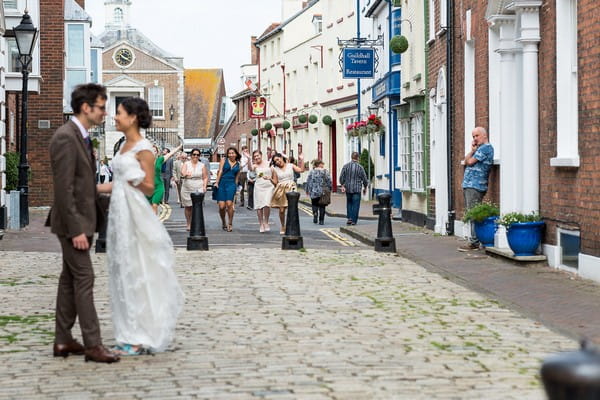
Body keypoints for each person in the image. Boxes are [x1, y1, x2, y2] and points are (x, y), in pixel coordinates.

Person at [97, 97, 184, 355]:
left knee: (137, 268)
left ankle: (140, 334)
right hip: (120, 210)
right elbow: (118, 182)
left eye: (120, 113)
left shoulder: (144, 148)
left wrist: (131, 180)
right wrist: (92, 188)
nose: (115, 117)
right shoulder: (124, 145)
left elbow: (148, 185)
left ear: (133, 117)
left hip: (135, 210)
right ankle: (127, 331)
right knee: (121, 270)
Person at [48, 83, 119, 363]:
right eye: (101, 107)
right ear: (86, 107)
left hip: (83, 220)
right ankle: (93, 344)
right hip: (72, 224)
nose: (105, 113)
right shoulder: (66, 137)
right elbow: (63, 189)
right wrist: (76, 228)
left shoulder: (82, 136)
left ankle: (63, 340)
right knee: (85, 278)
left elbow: (83, 184)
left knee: (69, 280)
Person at [459, 126, 494, 251]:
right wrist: (472, 150)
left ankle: (474, 242)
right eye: (473, 136)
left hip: (476, 185)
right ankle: (474, 240)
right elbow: (466, 159)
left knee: (473, 213)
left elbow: (469, 162)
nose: (474, 139)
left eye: (477, 136)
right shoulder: (479, 149)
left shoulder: (486, 148)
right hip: (470, 184)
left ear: (484, 135)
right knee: (471, 212)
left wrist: (472, 153)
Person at [270, 152, 304, 234]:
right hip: (281, 188)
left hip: (291, 187)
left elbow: (301, 170)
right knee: (282, 210)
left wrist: (302, 160)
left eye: (278, 159)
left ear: (281, 157)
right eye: (275, 161)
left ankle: (292, 226)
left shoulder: (290, 165)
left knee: (292, 209)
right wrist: (269, 179)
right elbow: (275, 182)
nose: (277, 162)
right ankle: (282, 226)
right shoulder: (275, 169)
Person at [180, 148, 209, 231]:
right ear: (191, 155)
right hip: (187, 187)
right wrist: (185, 174)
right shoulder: (186, 164)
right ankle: (188, 223)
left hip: (198, 186)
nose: (195, 156)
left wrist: (204, 186)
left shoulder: (202, 165)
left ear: (199, 156)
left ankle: (195, 222)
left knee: (196, 206)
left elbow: (205, 177)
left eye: (197, 155)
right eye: (194, 154)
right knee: (188, 207)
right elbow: (182, 172)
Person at [147, 144, 181, 215]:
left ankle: (154, 223)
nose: (153, 152)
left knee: (154, 205)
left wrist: (179, 147)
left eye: (155, 151)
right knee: (148, 207)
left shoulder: (160, 160)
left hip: (158, 186)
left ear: (157, 152)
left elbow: (171, 153)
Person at [214, 147, 241, 232]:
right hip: (222, 183)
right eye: (229, 153)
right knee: (222, 206)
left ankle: (230, 223)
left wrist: (236, 189)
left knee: (229, 204)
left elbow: (237, 177)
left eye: (233, 153)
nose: (231, 155)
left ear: (236, 154)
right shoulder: (223, 160)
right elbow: (220, 171)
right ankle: (223, 222)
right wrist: (217, 182)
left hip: (231, 184)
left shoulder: (238, 164)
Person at [339, 151, 369, 226]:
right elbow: (364, 179)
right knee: (356, 204)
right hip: (357, 189)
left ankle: (349, 218)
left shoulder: (346, 166)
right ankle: (354, 220)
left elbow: (341, 177)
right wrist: (365, 187)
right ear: (358, 158)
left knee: (349, 203)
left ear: (351, 157)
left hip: (348, 188)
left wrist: (342, 184)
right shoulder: (360, 167)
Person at [249, 150, 274, 233]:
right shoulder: (255, 166)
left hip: (269, 186)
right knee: (259, 206)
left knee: (267, 204)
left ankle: (266, 222)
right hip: (259, 186)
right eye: (255, 156)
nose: (256, 157)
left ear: (261, 155)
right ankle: (261, 224)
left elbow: (273, 172)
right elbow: (250, 169)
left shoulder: (268, 163)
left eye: (257, 155)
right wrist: (249, 159)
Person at [305, 159, 332, 225]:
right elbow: (329, 181)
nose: (323, 165)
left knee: (314, 204)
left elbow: (308, 181)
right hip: (323, 192)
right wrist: (330, 189)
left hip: (314, 191)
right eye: (322, 164)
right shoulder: (325, 172)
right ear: (319, 164)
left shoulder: (312, 172)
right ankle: (321, 220)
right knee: (322, 206)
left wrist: (307, 190)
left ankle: (315, 213)